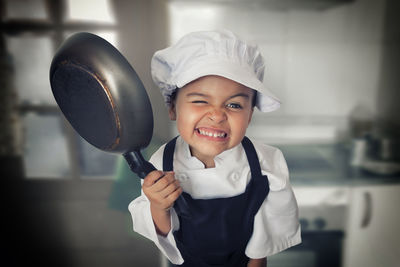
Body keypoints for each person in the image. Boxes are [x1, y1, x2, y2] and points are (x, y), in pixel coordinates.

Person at [129, 30, 301, 267]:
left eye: (234, 104)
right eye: (200, 100)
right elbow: (161, 234)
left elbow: (262, 243)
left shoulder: (266, 162)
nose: (217, 115)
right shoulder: (160, 164)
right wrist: (159, 206)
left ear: (250, 114)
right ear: (172, 107)